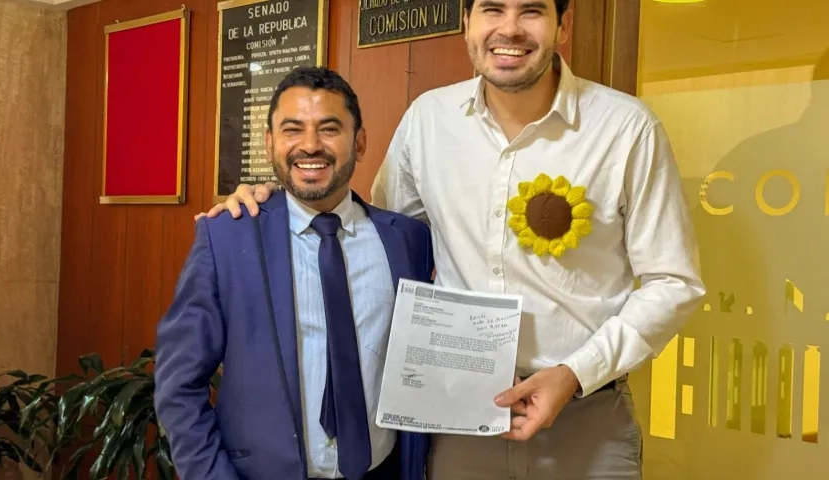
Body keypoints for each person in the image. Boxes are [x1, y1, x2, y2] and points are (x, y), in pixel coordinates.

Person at [197, 0, 706, 478]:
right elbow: (374, 239)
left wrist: (573, 374)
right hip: (459, 419)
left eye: (531, 10)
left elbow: (673, 282)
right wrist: (280, 197)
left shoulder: (625, 128)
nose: (509, 28)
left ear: (563, 26)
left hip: (587, 416)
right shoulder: (428, 120)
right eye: (491, 9)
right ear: (468, 23)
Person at [154, 67, 433, 480]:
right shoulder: (226, 238)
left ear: (359, 141)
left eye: (329, 129)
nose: (310, 146)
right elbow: (179, 386)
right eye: (292, 129)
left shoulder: (408, 240)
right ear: (269, 143)